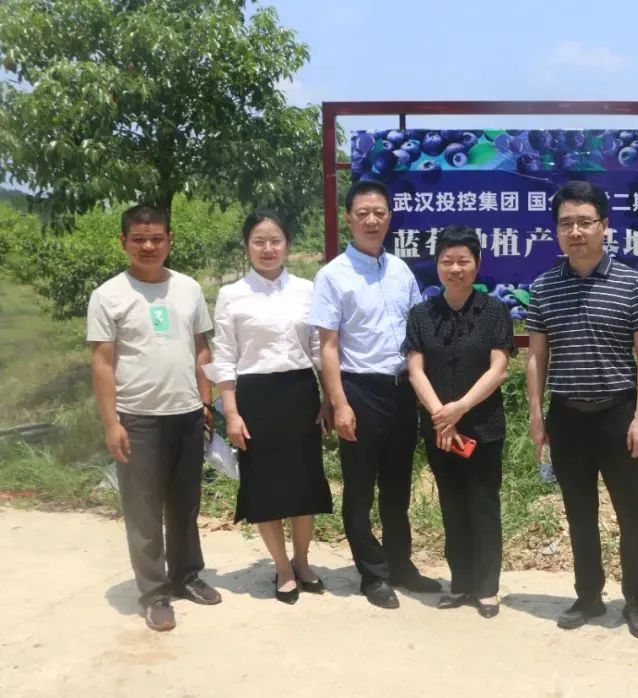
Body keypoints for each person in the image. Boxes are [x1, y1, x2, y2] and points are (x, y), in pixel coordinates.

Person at [525, 180, 638, 639]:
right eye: (566, 223)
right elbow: (536, 356)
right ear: (556, 231)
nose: (575, 231)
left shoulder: (632, 283)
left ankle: (637, 602)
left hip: (618, 416)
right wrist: (537, 414)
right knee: (579, 512)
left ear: (604, 225)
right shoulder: (544, 287)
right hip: (567, 417)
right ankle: (588, 596)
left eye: (585, 222)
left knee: (630, 512)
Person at [87, 204, 221, 632]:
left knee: (185, 505)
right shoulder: (109, 295)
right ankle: (155, 593)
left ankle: (186, 576)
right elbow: (102, 362)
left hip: (187, 413)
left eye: (157, 238)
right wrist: (111, 422)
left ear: (170, 241)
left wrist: (206, 402)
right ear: (123, 242)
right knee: (143, 510)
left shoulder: (188, 289)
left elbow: (201, 347)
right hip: (138, 418)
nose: (148, 246)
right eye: (139, 239)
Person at [308, 179, 441, 608]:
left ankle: (400, 564)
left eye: (379, 213)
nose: (371, 220)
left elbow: (417, 333)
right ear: (349, 218)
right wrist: (339, 403)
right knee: (360, 488)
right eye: (362, 213)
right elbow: (328, 346)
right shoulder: (333, 275)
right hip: (359, 392)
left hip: (401, 391)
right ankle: (373, 573)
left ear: (389, 217)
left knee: (398, 487)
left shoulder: (401, 271)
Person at [203, 209, 333, 605]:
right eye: (259, 241)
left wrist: (329, 398)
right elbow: (225, 356)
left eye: (275, 240)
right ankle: (281, 568)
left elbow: (318, 349)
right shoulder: (232, 295)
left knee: (305, 484)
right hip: (255, 397)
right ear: (247, 246)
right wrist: (231, 413)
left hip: (300, 393)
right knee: (265, 488)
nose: (268, 248)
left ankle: (302, 561)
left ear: (287, 245)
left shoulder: (307, 290)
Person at [403, 226, 515, 619]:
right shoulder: (421, 314)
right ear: (437, 265)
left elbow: (498, 368)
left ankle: (487, 587)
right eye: (447, 261)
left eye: (463, 261)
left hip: (483, 426)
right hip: (440, 430)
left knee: (483, 504)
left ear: (477, 264)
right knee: (452, 505)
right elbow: (415, 369)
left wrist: (459, 409)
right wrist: (441, 415)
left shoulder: (494, 311)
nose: (455, 269)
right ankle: (462, 582)